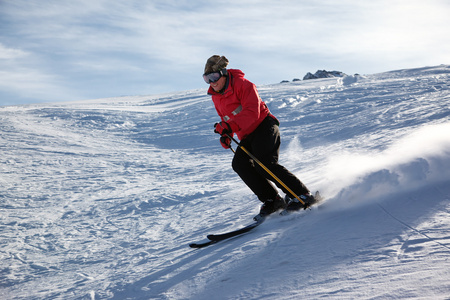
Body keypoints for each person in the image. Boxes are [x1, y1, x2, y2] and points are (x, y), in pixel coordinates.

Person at [203, 55, 315, 217]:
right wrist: (227, 134)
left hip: (264, 125)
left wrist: (229, 126)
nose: (212, 82)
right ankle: (272, 200)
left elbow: (252, 112)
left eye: (214, 76)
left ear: (224, 73)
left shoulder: (244, 85)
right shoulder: (216, 96)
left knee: (264, 163)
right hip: (247, 133)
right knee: (240, 164)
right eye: (207, 78)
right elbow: (227, 119)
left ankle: (302, 194)